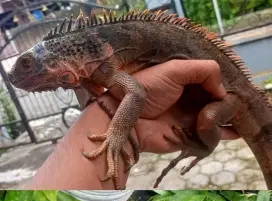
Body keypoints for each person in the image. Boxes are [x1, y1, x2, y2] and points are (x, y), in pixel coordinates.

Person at [26, 59, 238, 190]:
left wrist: (117, 134)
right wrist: (131, 130)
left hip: (230, 96)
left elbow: (135, 92)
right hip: (170, 106)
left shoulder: (101, 65)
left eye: (27, 63)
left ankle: (205, 146)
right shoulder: (93, 68)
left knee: (207, 120)